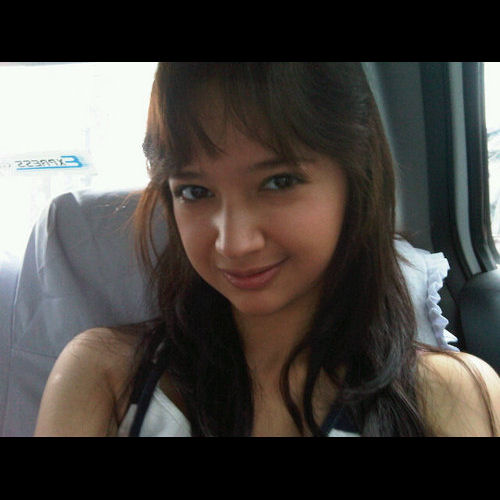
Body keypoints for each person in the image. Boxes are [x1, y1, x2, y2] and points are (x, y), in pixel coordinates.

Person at [34, 62, 500, 437]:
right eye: (195, 191)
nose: (234, 244)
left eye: (279, 182)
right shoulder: (104, 377)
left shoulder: (449, 394)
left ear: (355, 181)